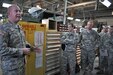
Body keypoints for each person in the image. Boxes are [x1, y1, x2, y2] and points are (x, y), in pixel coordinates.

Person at [0, 4, 35, 75]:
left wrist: (31, 47)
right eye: (16, 11)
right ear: (9, 13)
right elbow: (2, 50)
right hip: (10, 69)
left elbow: (22, 42)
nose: (19, 13)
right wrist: (22, 51)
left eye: (19, 11)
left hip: (21, 65)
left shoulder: (19, 27)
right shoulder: (3, 28)